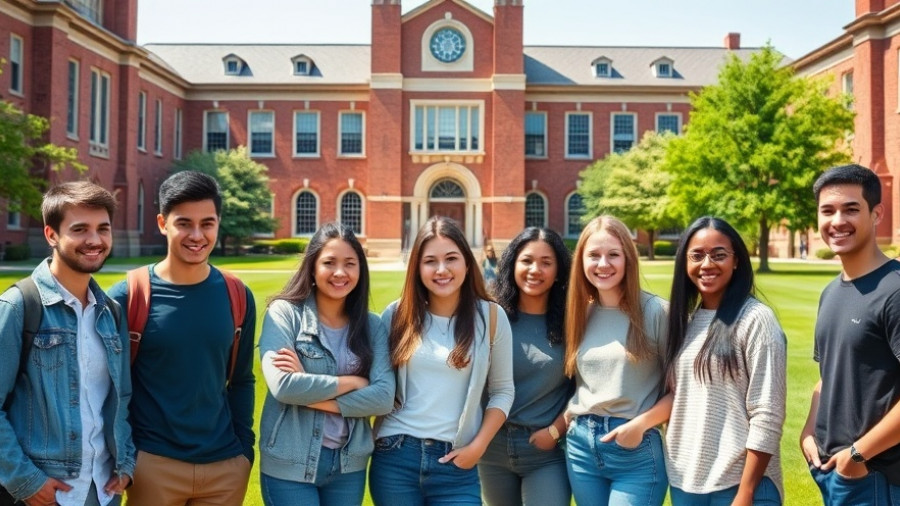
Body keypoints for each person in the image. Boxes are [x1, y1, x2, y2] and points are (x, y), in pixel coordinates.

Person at [107, 171, 256, 506]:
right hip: (154, 465)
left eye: (207, 223)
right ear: (162, 223)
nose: (197, 235)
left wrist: (244, 452)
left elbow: (242, 380)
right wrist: (134, 458)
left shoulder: (238, 295)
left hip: (225, 466)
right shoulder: (127, 296)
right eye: (184, 223)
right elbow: (103, 388)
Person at [0, 182, 134, 505]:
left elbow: (122, 399)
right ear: (51, 235)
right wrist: (26, 481)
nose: (95, 240)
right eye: (80, 229)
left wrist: (126, 461)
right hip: (45, 493)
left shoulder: (111, 313)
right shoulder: (20, 306)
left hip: (103, 491)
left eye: (103, 228)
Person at [369, 216, 514, 505]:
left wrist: (478, 446)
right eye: (430, 261)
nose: (441, 270)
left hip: (457, 462)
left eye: (451, 258)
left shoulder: (492, 317)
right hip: (396, 455)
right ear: (417, 268)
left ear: (467, 262)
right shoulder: (397, 315)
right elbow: (376, 385)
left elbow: (503, 391)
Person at [257, 223, 395, 505]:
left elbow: (383, 398)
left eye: (349, 264)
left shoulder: (372, 325)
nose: (340, 273)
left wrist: (309, 395)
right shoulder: (284, 314)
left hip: (348, 466)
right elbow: (283, 387)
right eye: (329, 263)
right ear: (312, 268)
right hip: (290, 462)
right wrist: (354, 383)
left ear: (360, 270)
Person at [665, 216, 786, 505]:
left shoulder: (756, 319)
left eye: (718, 255)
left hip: (741, 485)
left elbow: (767, 413)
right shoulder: (685, 322)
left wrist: (746, 493)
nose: (707, 264)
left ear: (737, 262)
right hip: (685, 483)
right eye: (697, 255)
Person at [800, 164, 900, 505]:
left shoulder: (895, 290)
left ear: (876, 214)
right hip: (831, 472)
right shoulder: (831, 292)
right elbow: (827, 374)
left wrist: (857, 456)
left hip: (876, 477)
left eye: (851, 209)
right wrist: (809, 430)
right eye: (827, 210)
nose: (837, 220)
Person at [562, 216, 670, 506]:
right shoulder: (579, 315)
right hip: (581, 449)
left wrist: (639, 426)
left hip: (636, 449)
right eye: (593, 255)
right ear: (581, 261)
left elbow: (683, 390)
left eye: (613, 255)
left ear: (628, 259)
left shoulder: (657, 312)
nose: (603, 264)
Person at [478, 227, 573, 506]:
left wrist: (556, 430)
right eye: (527, 260)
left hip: (544, 451)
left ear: (558, 271)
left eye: (546, 263)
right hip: (490, 450)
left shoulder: (573, 321)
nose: (535, 270)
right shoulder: (488, 315)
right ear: (512, 264)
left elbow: (586, 389)